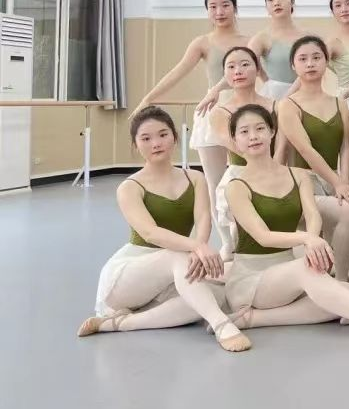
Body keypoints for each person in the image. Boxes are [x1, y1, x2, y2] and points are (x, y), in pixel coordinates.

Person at [222, 104, 349, 342]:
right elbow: (263, 236)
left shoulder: (298, 175)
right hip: (251, 279)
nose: (253, 136)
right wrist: (307, 239)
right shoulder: (236, 187)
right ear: (235, 140)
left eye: (259, 129)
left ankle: (253, 319)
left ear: (272, 132)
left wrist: (313, 239)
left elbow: (313, 215)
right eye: (244, 132)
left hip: (285, 275)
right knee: (315, 279)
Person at [79, 107, 250, 352]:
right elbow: (150, 233)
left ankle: (121, 324)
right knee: (178, 259)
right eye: (146, 138)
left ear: (175, 137)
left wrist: (199, 248)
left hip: (176, 267)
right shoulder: (129, 187)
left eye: (163, 134)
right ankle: (221, 324)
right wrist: (196, 247)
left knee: (216, 294)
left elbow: (204, 219)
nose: (156, 143)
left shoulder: (195, 178)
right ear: (136, 145)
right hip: (129, 276)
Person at [134, 0, 247, 230]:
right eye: (213, 7)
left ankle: (248, 232)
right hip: (212, 110)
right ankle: (227, 240)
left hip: (245, 111)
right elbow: (178, 72)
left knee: (245, 176)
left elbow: (263, 76)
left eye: (225, 5)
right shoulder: (203, 43)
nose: (219, 12)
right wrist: (149, 98)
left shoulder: (249, 42)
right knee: (214, 181)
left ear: (235, 8)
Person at [275, 36, 349, 281]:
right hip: (303, 181)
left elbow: (346, 146)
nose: (310, 63)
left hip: (334, 177)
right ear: (293, 65)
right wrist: (338, 183)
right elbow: (306, 150)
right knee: (346, 214)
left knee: (345, 219)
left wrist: (344, 179)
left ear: (326, 61)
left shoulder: (339, 102)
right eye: (303, 59)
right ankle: (332, 280)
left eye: (316, 57)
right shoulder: (288, 105)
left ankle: (340, 279)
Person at [207, 46, 282, 259]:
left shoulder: (276, 105)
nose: (238, 71)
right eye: (231, 67)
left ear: (257, 69)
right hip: (241, 174)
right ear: (225, 74)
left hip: (277, 168)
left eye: (244, 64)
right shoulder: (220, 112)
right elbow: (237, 147)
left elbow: (284, 145)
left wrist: (276, 170)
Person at [249, 0, 308, 99]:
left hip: (305, 94)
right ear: (266, 7)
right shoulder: (262, 38)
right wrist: (267, 80)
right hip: (275, 96)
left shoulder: (307, 36)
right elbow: (245, 61)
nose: (276, 3)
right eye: (270, 0)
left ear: (292, 2)